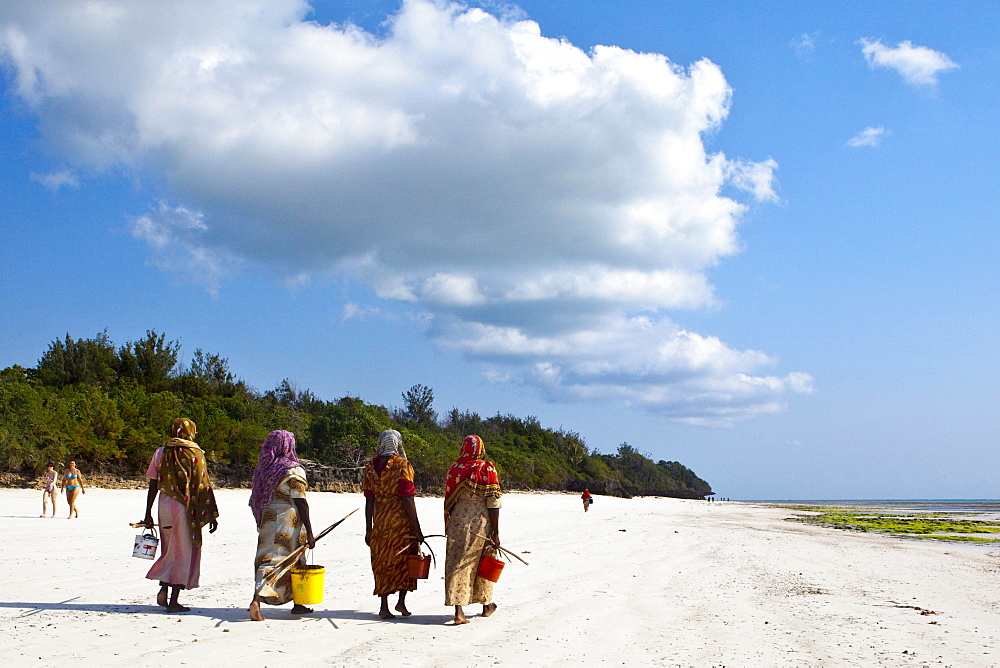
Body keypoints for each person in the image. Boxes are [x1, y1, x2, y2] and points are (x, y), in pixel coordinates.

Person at [139, 418, 219, 613]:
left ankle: (164, 587)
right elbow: (203, 484)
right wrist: (210, 513)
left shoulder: (161, 451)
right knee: (184, 551)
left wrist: (148, 512)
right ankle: (174, 601)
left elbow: (153, 484)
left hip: (165, 505)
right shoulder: (195, 452)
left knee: (169, 548)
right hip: (186, 507)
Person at [248, 430, 316, 621]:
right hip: (288, 520)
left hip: (268, 519)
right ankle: (291, 603)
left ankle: (261, 600)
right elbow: (300, 500)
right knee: (293, 558)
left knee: (267, 558)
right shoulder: (292, 469)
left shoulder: (264, 469)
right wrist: (310, 532)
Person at [362, 429, 423, 619]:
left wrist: (368, 529)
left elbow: (369, 500)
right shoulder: (402, 465)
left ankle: (384, 606)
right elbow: (407, 498)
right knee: (405, 560)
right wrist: (417, 528)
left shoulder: (370, 468)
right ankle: (401, 602)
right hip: (400, 523)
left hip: (380, 522)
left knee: (383, 561)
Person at [443, 434, 501, 625]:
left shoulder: (455, 468)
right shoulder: (486, 467)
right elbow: (493, 500)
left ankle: (459, 611)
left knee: (456, 561)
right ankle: (486, 605)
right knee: (483, 559)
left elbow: (449, 500)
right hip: (480, 519)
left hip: (458, 520)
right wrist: (496, 531)